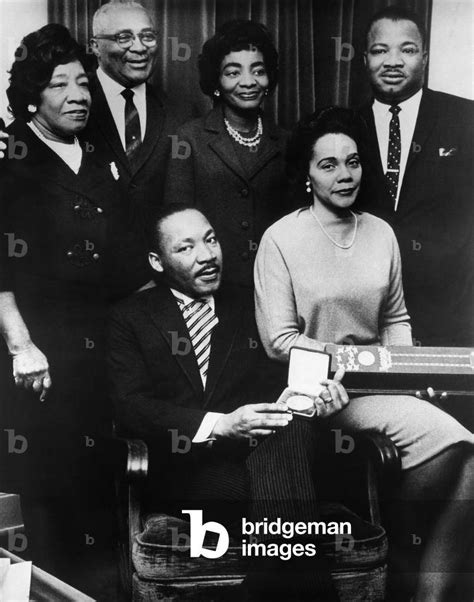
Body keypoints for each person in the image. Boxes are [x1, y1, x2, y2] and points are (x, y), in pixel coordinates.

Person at [254, 107, 474, 601]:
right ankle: (397, 541)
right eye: (328, 165)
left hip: (383, 385)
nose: (345, 174)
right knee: (462, 445)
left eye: (352, 162)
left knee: (471, 460)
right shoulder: (280, 239)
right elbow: (279, 340)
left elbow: (396, 317)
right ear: (306, 175)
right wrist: (346, 361)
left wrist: (404, 371)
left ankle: (427, 591)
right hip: (318, 392)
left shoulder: (380, 232)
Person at [107, 204, 356, 601]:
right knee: (291, 500)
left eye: (210, 240)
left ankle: (265, 591)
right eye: (186, 248)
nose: (207, 256)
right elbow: (130, 406)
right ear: (157, 261)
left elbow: (275, 392)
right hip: (185, 470)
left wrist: (309, 401)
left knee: (290, 429)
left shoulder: (249, 305)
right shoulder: (129, 318)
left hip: (265, 456)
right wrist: (219, 424)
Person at [0, 24, 148, 581]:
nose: (77, 95)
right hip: (39, 352)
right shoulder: (11, 155)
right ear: (33, 95)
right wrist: (21, 344)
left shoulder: (103, 155)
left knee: (100, 481)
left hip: (103, 347)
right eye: (59, 84)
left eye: (83, 83)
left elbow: (131, 260)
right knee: (49, 490)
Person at [357, 5, 474, 347]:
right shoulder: (345, 125)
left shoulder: (466, 120)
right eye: (380, 50)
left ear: (425, 56)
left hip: (453, 316)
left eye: (407, 50)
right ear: (364, 58)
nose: (393, 61)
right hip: (368, 319)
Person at [164, 20, 290, 287]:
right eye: (233, 73)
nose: (248, 82)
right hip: (210, 284)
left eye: (258, 71)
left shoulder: (286, 142)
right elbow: (177, 224)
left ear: (269, 79)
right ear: (216, 82)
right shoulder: (189, 138)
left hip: (274, 283)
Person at [87, 0, 190, 254]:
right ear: (95, 47)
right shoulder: (71, 106)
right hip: (87, 274)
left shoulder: (181, 113)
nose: (140, 47)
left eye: (147, 36)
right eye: (124, 37)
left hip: (159, 272)